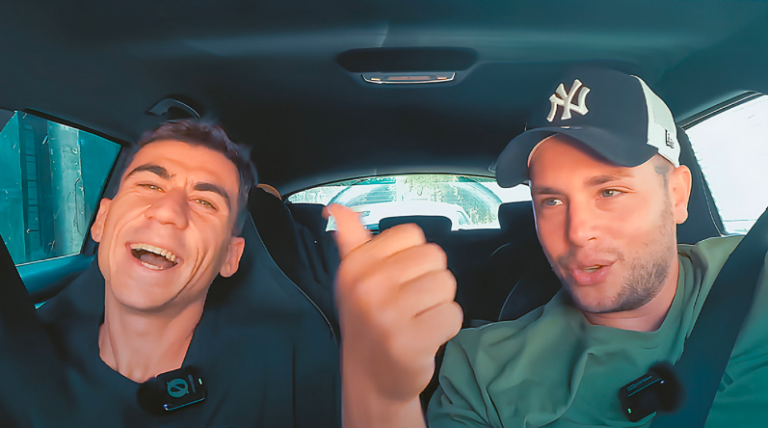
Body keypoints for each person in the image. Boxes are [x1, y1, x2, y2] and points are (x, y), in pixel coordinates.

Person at [330, 69, 768, 427]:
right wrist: (379, 397)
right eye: (552, 201)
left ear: (676, 194)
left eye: (609, 192)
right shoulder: (483, 371)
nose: (576, 233)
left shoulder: (756, 276)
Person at [0, 119, 340, 427]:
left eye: (205, 202)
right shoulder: (23, 367)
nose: (168, 212)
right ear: (102, 220)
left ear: (229, 256)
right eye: (150, 185)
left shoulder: (288, 372)